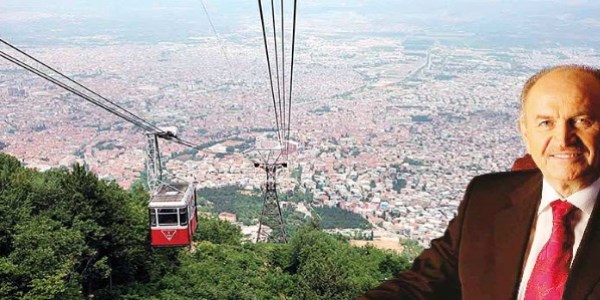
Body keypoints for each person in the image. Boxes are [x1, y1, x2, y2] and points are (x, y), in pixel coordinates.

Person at [358, 64, 600, 300]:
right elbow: (421, 284)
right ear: (525, 133)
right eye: (546, 123)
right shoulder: (487, 198)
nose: (563, 139)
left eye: (582, 121)